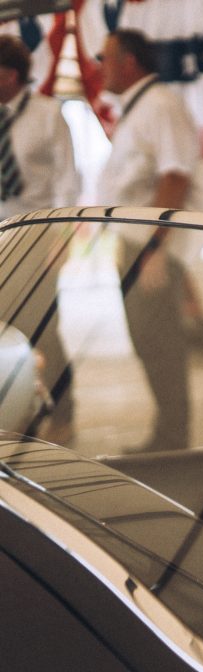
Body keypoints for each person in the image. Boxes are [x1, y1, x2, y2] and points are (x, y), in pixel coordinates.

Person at [97, 28, 203, 453]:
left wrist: (156, 248)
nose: (99, 68)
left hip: (151, 247)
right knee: (146, 341)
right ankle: (166, 434)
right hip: (133, 243)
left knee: (160, 343)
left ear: (128, 62)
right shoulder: (136, 108)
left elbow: (175, 175)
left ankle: (173, 440)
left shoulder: (160, 104)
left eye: (105, 58)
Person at [0, 35, 80, 443]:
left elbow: (68, 180)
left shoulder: (48, 114)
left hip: (35, 236)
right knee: (5, 334)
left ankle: (64, 413)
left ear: (11, 74)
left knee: (44, 330)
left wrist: (62, 239)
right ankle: (19, 416)